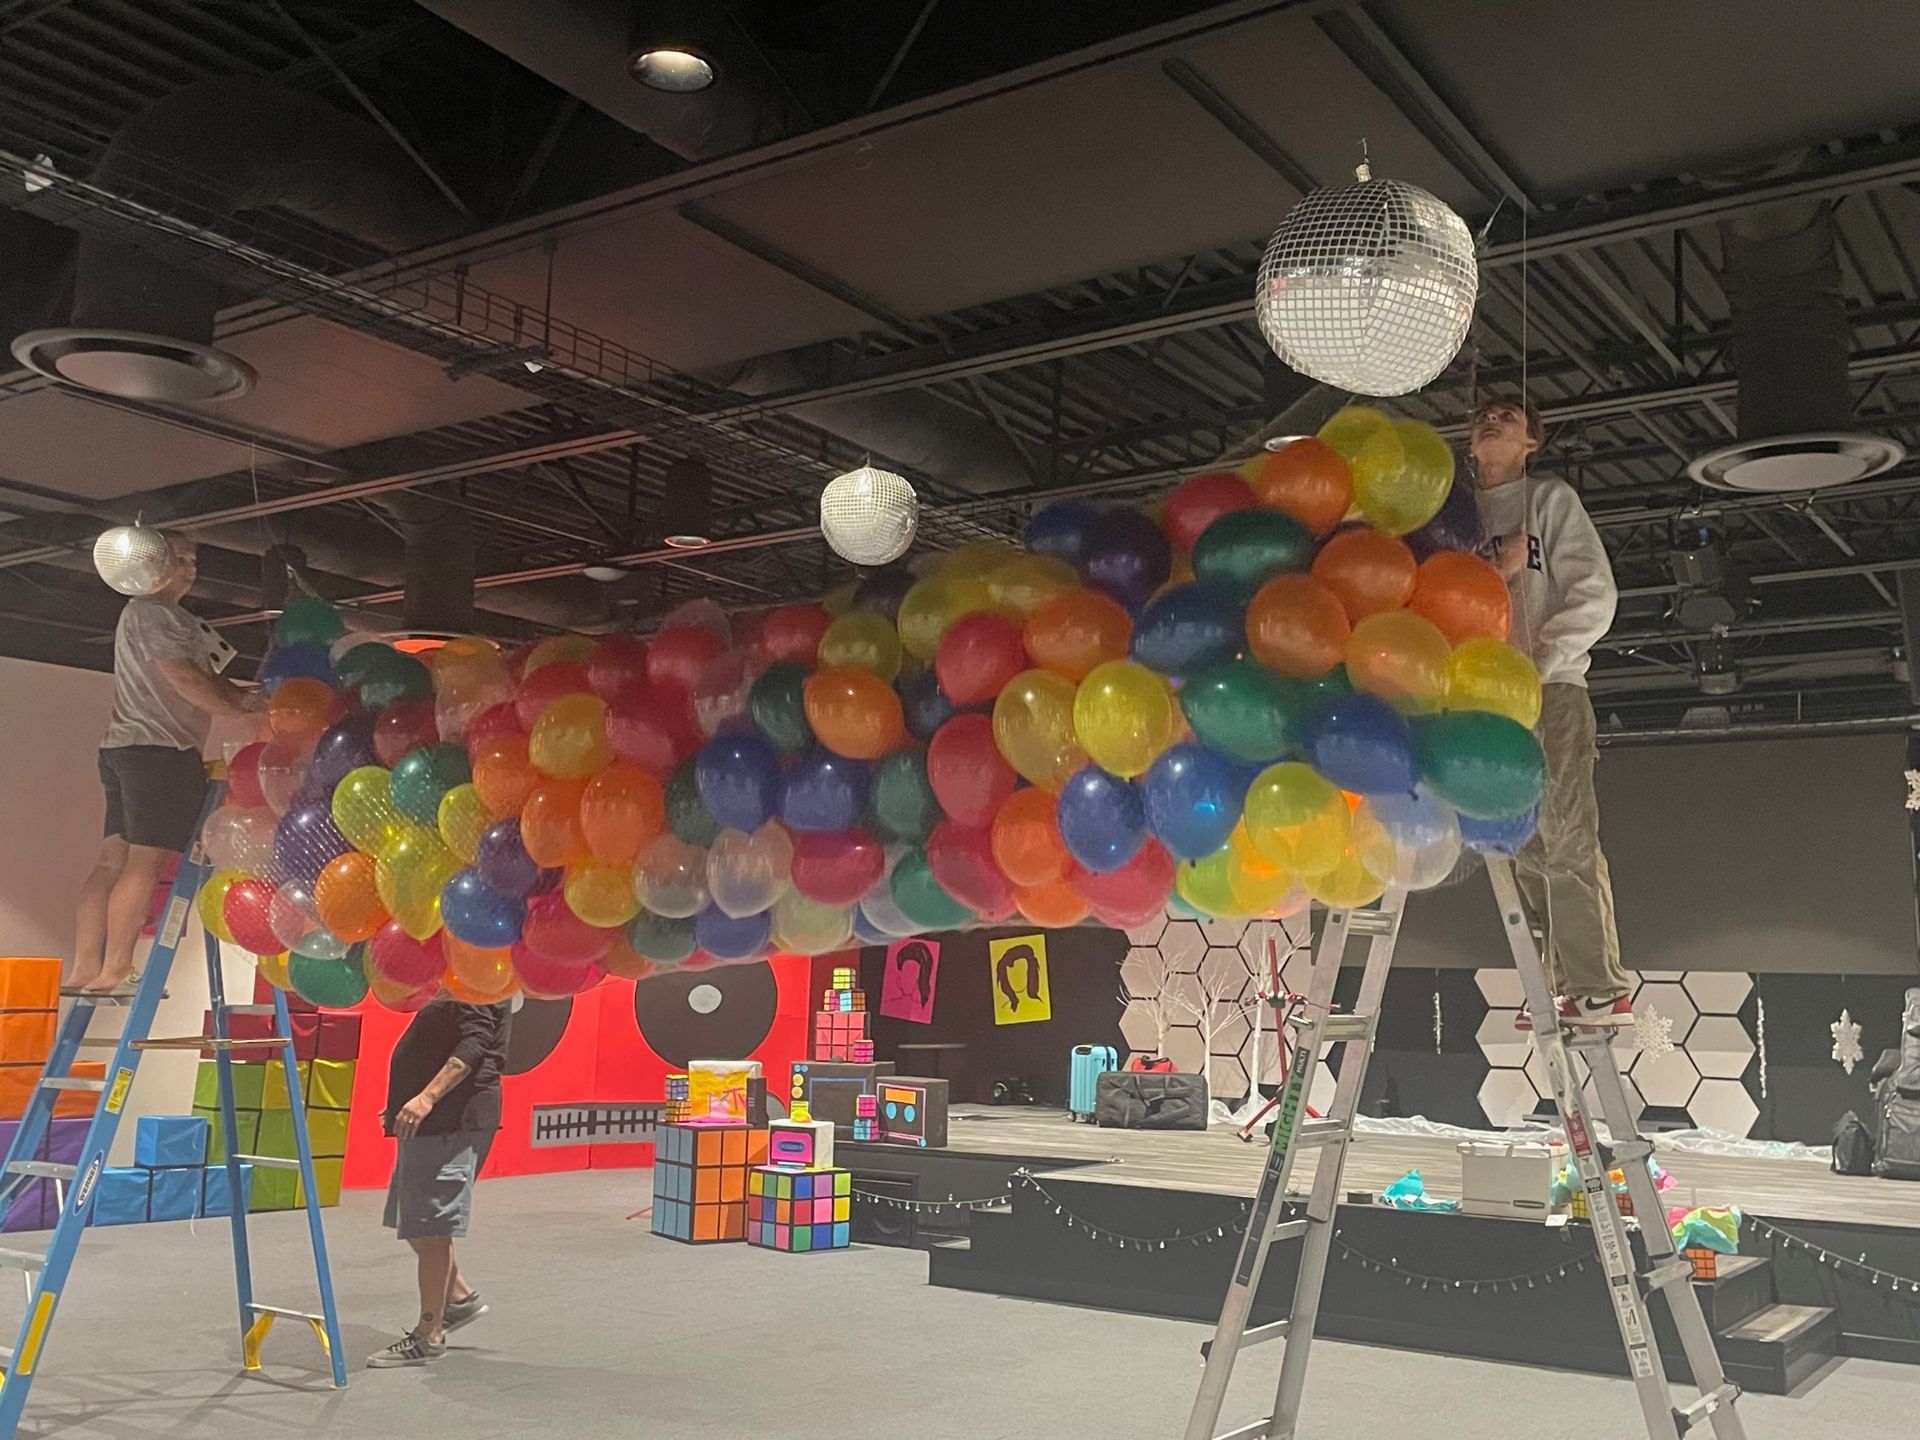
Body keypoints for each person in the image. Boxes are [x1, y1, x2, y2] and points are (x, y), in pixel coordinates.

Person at [1468, 394, 1633, 1028]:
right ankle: (1556, 983)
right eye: (1483, 413)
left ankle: (1597, 983)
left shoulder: (1548, 501)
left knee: (1566, 831)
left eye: (1507, 415)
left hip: (1551, 689)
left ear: (1531, 441)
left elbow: (1596, 593)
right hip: (1485, 704)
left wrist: (1540, 661)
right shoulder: (1457, 518)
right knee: (1520, 843)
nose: (1491, 419)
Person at [67, 535, 256, 993]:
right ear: (149, 563)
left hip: (124, 749)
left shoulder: (172, 618)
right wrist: (244, 710)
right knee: (144, 862)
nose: (189, 568)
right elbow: (185, 677)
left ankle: (85, 970)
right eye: (179, 559)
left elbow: (213, 678)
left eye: (194, 560)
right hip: (159, 751)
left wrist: (247, 700)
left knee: (112, 858)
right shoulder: (154, 613)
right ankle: (114, 970)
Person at [368, 995, 512, 1368]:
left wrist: (426, 1098)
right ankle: (460, 1299)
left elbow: (475, 1042)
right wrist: (406, 1097)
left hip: (450, 1122)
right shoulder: (456, 980)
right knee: (413, 1221)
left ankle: (428, 1335)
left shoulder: (478, 980)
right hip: (430, 1124)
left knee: (432, 1230)